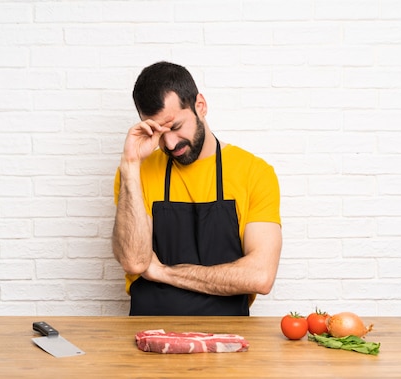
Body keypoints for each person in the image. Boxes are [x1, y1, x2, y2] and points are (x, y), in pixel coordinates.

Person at [112, 61, 282, 316]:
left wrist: (163, 272)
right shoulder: (135, 173)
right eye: (158, 133)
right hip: (150, 336)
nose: (169, 143)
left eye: (176, 127)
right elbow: (134, 261)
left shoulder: (254, 173)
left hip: (228, 339)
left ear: (200, 106)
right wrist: (130, 165)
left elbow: (260, 276)